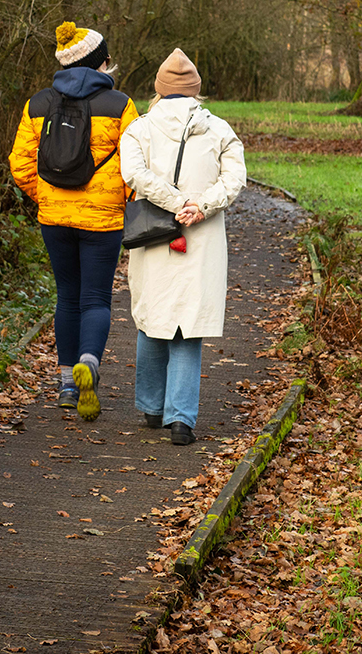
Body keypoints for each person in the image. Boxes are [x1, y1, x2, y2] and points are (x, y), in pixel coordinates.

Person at [9, 21, 138, 420]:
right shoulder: (119, 106)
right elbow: (135, 168)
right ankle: (89, 364)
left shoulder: (38, 104)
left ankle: (67, 384)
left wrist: (45, 195)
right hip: (102, 220)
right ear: (101, 61)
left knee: (67, 295)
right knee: (96, 297)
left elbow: (20, 164)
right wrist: (123, 200)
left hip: (54, 216)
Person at [118, 48, 245, 446]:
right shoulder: (221, 130)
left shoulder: (139, 129)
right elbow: (236, 178)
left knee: (152, 318)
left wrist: (172, 203)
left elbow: (133, 173)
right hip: (201, 240)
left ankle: (152, 408)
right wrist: (198, 206)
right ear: (195, 90)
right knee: (188, 327)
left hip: (153, 235)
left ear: (159, 90)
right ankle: (181, 420)